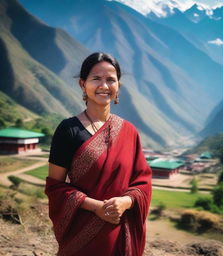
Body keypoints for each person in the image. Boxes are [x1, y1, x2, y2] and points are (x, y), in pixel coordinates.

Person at [45, 52, 152, 256]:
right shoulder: (68, 130)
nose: (104, 85)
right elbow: (55, 187)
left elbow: (142, 183)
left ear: (118, 86)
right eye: (96, 78)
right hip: (81, 235)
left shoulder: (129, 132)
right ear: (83, 84)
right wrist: (96, 207)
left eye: (111, 80)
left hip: (118, 231)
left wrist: (125, 202)